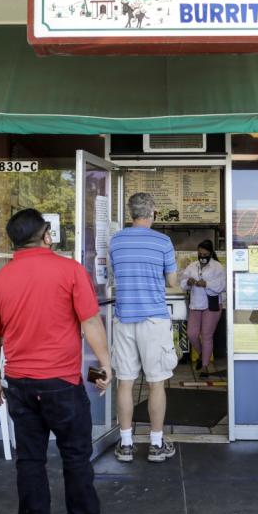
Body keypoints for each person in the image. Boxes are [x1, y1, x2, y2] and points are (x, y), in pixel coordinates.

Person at [0, 208, 111, 514]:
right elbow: (90, 321)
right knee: (76, 457)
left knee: (29, 460)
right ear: (46, 235)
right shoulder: (69, 270)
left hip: (20, 384)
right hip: (62, 384)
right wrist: (105, 364)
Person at [109, 192, 179, 463]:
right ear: (153, 213)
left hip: (124, 319)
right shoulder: (163, 241)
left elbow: (114, 276)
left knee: (125, 383)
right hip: (153, 319)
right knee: (156, 383)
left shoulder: (116, 241)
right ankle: (156, 444)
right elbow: (172, 281)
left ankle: (126, 445)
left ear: (131, 214)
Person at [180, 239, 226, 378]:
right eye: (200, 254)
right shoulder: (192, 266)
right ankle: (202, 354)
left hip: (211, 305)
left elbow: (223, 285)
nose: (202, 256)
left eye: (205, 254)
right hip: (196, 304)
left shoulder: (217, 267)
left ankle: (205, 366)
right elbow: (183, 282)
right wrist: (188, 282)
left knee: (206, 336)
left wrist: (206, 283)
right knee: (192, 334)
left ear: (210, 253)